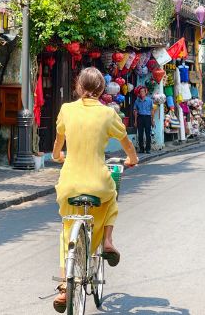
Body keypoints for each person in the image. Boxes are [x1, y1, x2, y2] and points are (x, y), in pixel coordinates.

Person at [52, 67, 138, 312]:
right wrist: (132, 158)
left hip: (69, 184)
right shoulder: (108, 113)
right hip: (98, 184)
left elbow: (59, 142)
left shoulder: (66, 110)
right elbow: (126, 142)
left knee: (67, 230)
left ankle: (63, 288)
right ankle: (108, 241)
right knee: (111, 199)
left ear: (78, 87)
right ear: (102, 90)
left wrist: (57, 155)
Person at [133, 86, 155, 153]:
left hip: (148, 118)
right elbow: (135, 111)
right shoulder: (137, 101)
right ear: (139, 93)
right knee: (140, 134)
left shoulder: (149, 100)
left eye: (143, 91)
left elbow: (152, 111)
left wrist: (152, 120)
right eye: (140, 92)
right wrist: (135, 121)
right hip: (140, 118)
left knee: (148, 134)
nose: (142, 93)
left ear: (146, 92)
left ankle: (148, 149)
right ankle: (141, 148)